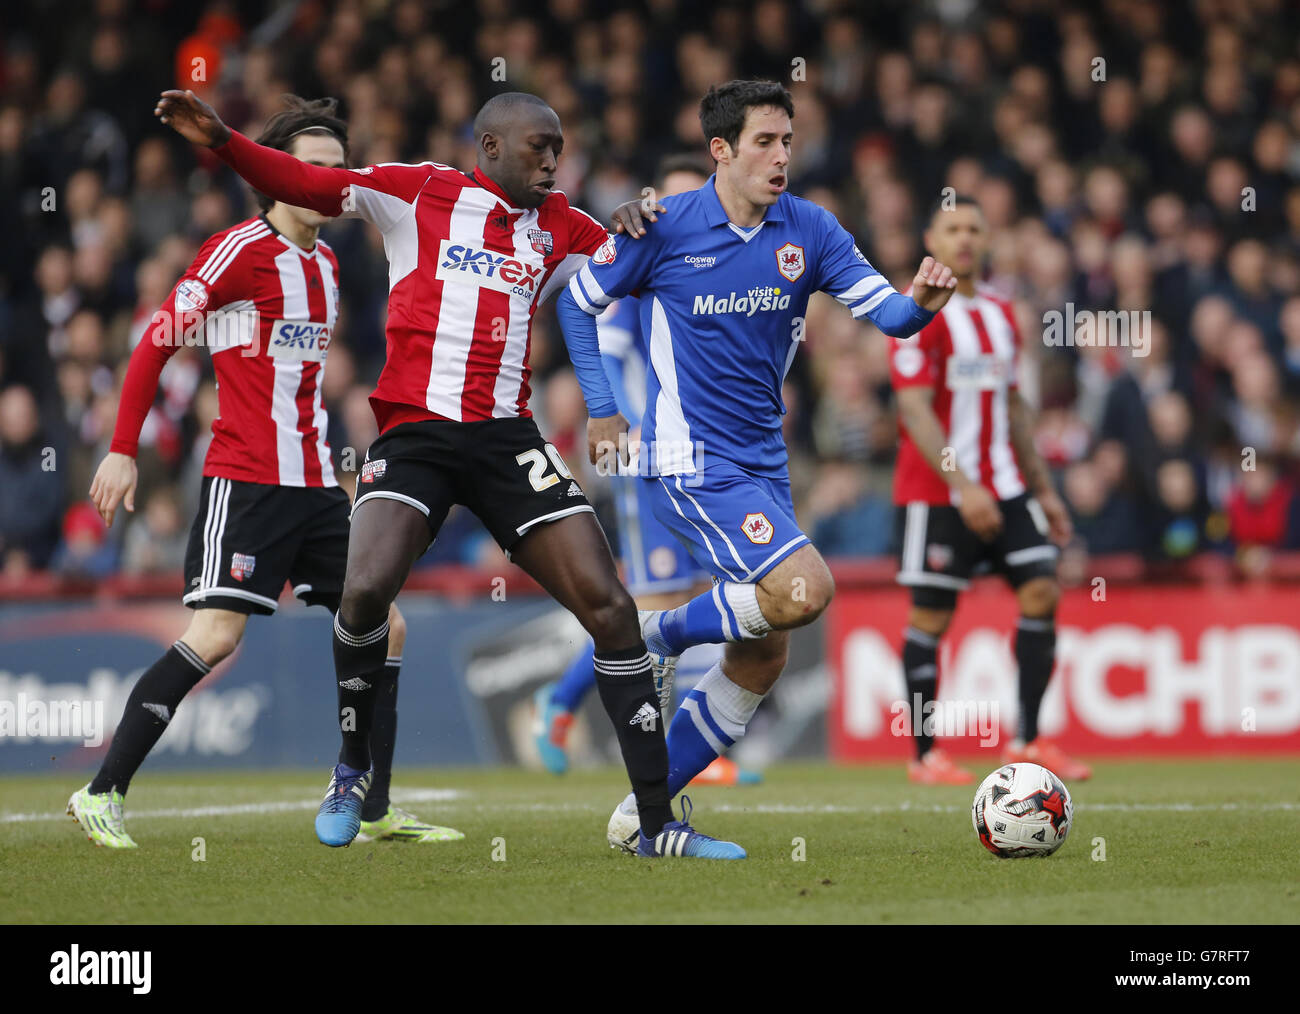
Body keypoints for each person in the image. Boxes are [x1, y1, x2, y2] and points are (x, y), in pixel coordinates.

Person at [154, 87, 742, 858]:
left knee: (611, 609)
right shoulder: (419, 190)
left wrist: (638, 215)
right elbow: (311, 186)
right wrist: (225, 142)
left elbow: (638, 260)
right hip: (417, 435)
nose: (553, 162)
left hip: (505, 439)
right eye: (540, 148)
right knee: (364, 590)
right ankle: (352, 768)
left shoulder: (561, 223)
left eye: (560, 150)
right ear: (491, 148)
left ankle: (658, 823)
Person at [555, 79, 957, 851]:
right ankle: (658, 634)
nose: (781, 158)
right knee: (805, 588)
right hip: (689, 458)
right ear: (721, 151)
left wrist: (923, 302)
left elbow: (893, 319)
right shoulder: (663, 225)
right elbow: (578, 301)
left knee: (764, 650)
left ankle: (646, 821)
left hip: (763, 462)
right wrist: (603, 409)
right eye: (765, 143)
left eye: (788, 142)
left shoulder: (812, 229)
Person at [72, 96, 462, 848]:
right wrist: (121, 447)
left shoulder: (327, 266)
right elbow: (158, 338)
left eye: (334, 168)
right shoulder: (237, 252)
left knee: (390, 627)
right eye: (310, 167)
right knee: (217, 638)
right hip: (246, 481)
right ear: (277, 175)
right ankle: (102, 791)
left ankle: (373, 804)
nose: (326, 180)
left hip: (317, 485)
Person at [533, 155, 760, 789]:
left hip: (709, 458)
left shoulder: (711, 272)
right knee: (660, 601)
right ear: (656, 203)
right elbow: (600, 361)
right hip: (652, 461)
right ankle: (585, 713)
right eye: (682, 201)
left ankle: (568, 702)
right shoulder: (636, 281)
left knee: (682, 598)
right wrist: (629, 435)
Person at [889, 194, 1090, 784]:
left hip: (1005, 486)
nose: (965, 239)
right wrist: (961, 483)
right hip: (938, 492)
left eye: (974, 228)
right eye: (952, 228)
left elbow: (1014, 408)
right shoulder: (914, 310)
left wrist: (1044, 491)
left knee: (1042, 592)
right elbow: (914, 410)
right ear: (932, 236)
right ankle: (925, 755)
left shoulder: (1001, 314)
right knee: (931, 615)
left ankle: (1026, 740)